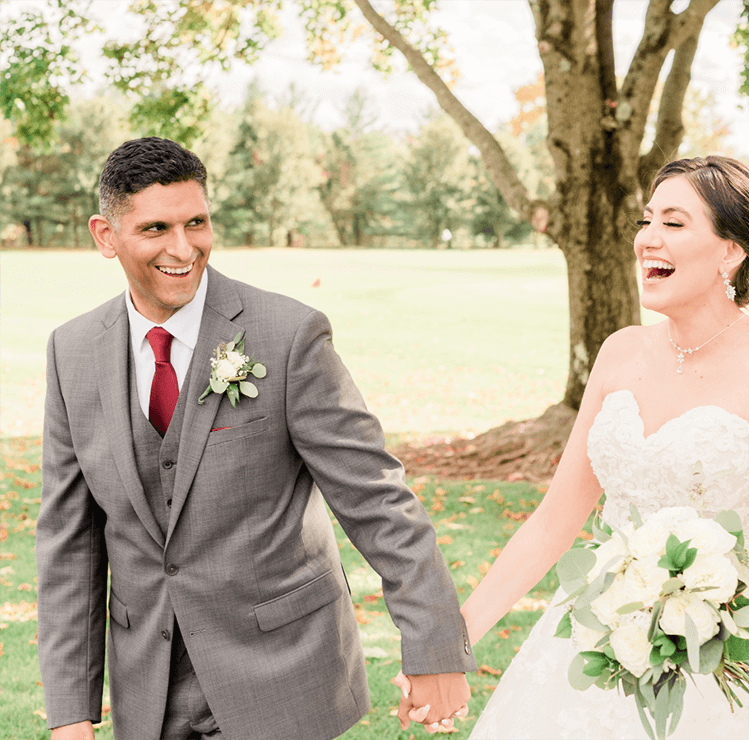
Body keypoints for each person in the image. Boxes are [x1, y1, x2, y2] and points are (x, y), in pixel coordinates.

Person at [409, 155, 749, 738]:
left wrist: (697, 633)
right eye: (646, 220)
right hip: (598, 638)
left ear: (731, 250)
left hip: (728, 661)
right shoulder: (620, 352)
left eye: (674, 224)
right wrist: (453, 642)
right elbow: (555, 521)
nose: (648, 239)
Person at [36, 136, 474, 740]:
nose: (183, 248)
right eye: (156, 228)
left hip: (284, 676)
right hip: (150, 692)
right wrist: (70, 711)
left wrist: (434, 647)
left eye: (197, 222)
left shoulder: (288, 335)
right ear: (106, 236)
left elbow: (375, 498)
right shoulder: (72, 352)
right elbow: (70, 545)